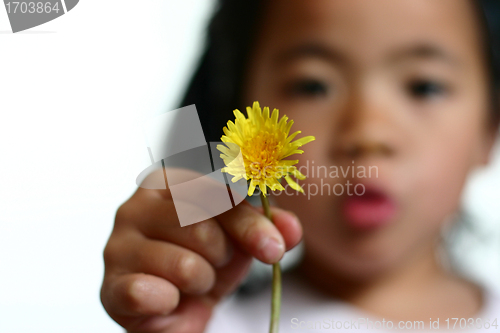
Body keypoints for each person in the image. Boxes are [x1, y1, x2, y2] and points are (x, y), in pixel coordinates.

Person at [100, 0, 500, 332]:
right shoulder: (203, 322)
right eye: (313, 85)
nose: (367, 132)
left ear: (490, 129)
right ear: (236, 118)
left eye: (424, 86)